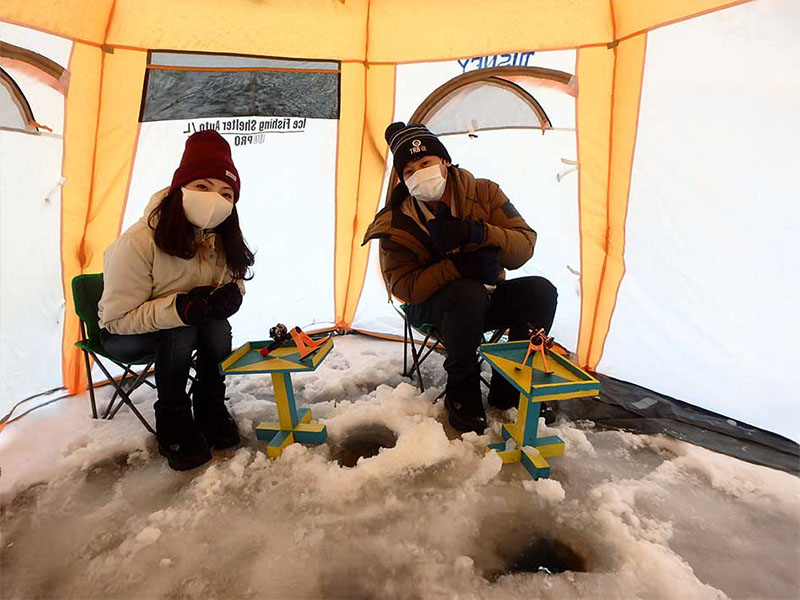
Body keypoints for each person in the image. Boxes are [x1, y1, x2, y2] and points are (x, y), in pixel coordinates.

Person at [363, 122, 557, 434]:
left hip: (489, 295)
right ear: (402, 178)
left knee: (540, 291)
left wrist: (479, 233)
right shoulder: (395, 221)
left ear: (444, 161)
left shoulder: (485, 193)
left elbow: (524, 246)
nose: (419, 174)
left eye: (425, 163)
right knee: (466, 292)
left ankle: (511, 385)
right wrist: (457, 269)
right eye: (409, 170)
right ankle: (461, 388)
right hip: (431, 309)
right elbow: (404, 287)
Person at [98, 130, 254, 471]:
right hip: (123, 334)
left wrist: (232, 295)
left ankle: (210, 403)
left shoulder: (219, 237)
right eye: (203, 187)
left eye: (226, 193)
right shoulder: (138, 243)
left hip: (181, 326)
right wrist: (179, 309)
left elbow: (234, 280)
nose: (215, 199)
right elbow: (116, 319)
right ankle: (173, 419)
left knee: (216, 327)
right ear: (179, 188)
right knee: (180, 331)